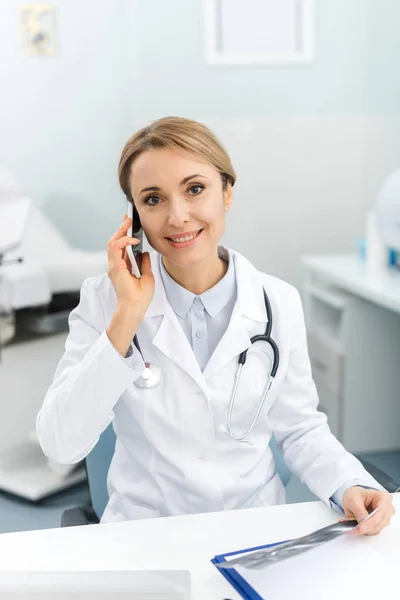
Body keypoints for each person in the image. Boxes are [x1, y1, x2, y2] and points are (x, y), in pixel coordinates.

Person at [37, 117, 395, 532]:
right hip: (144, 534)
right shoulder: (105, 300)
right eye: (153, 200)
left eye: (195, 189)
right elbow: (61, 444)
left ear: (226, 193)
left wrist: (348, 483)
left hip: (254, 533)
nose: (178, 216)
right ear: (134, 218)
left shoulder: (278, 302)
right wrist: (128, 315)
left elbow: (299, 429)